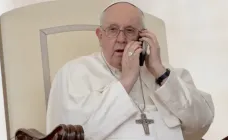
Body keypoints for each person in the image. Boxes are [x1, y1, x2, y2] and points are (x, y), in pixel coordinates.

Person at [46, 1, 214, 140]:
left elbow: (201, 124)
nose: (121, 39)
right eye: (112, 29)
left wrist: (160, 72)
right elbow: (76, 134)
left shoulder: (166, 72)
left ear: (143, 37)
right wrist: (126, 81)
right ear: (100, 36)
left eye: (130, 30)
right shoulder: (74, 73)